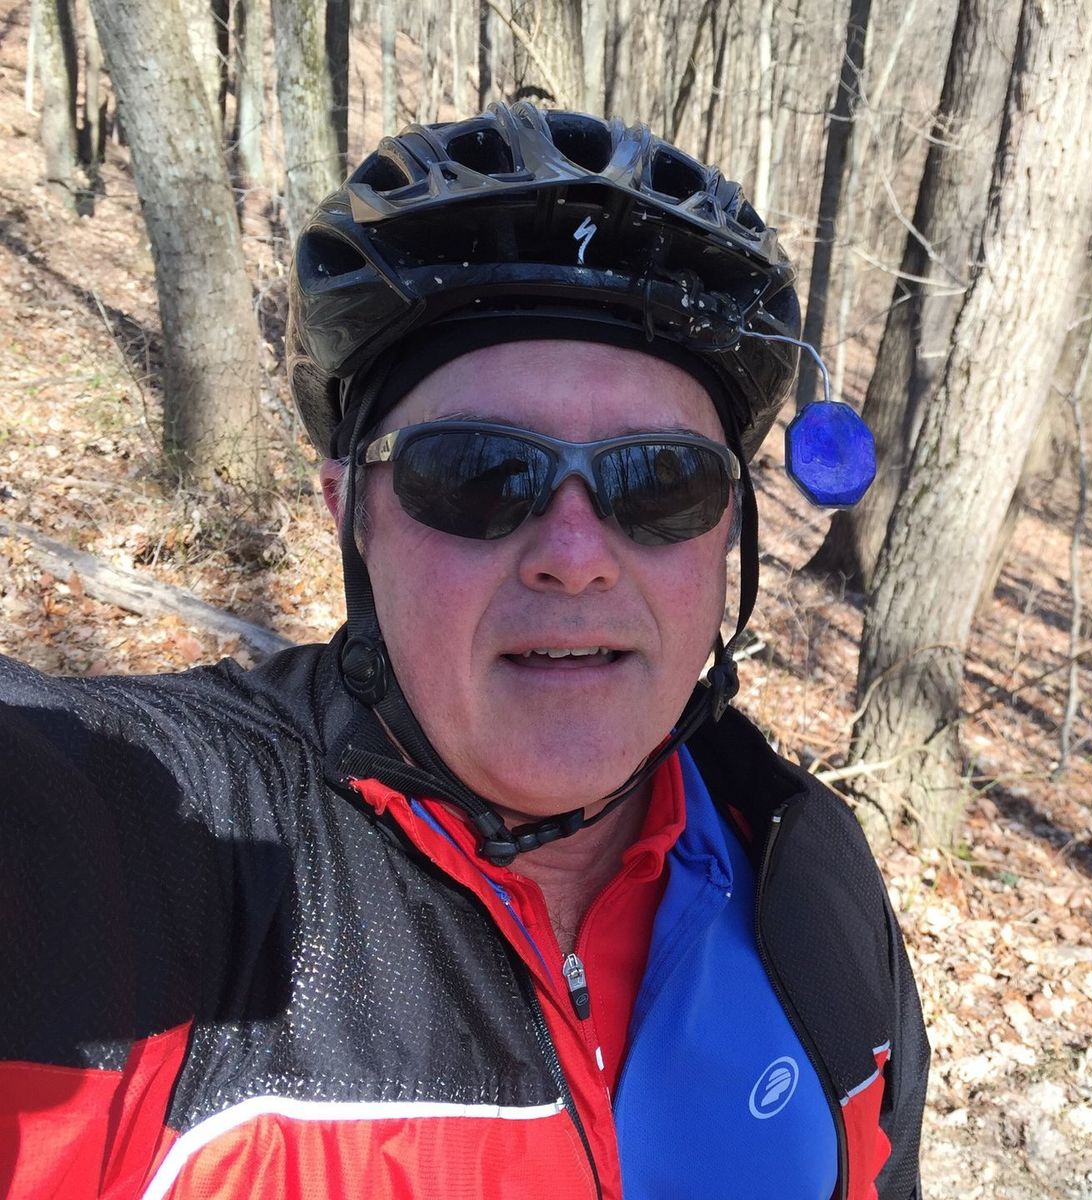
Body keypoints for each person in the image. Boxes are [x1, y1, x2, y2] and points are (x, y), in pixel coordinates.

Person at [0, 104, 927, 1200]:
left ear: (727, 532)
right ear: (351, 515)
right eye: (479, 473)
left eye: (659, 481)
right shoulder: (173, 852)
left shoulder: (808, 874)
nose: (575, 558)